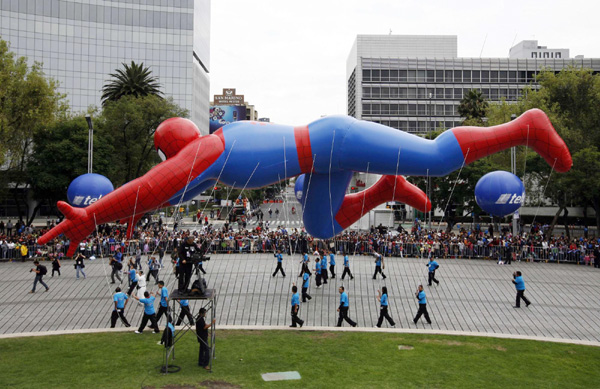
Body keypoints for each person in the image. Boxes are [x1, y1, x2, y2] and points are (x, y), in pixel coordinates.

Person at [38, 110, 572, 257]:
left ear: (174, 144)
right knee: (319, 227)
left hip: (332, 140)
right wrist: (111, 217)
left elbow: (151, 187)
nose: (164, 160)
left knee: (433, 157)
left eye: (162, 151)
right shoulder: (205, 164)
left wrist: (92, 214)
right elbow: (155, 195)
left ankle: (523, 126)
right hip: (319, 163)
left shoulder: (207, 149)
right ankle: (385, 190)